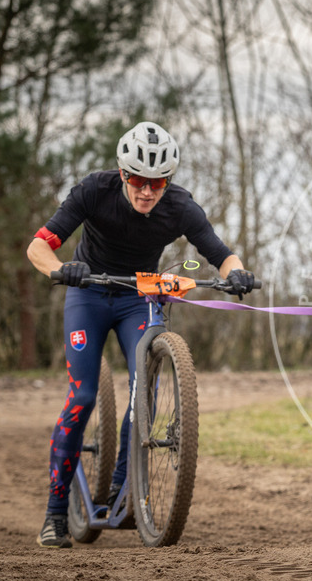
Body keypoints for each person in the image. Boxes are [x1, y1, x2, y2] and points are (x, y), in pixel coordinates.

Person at [26, 121, 256, 548]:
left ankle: (120, 488)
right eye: (137, 180)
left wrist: (236, 273)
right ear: (123, 173)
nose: (146, 191)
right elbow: (38, 246)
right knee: (82, 397)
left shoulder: (181, 207)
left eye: (157, 182)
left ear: (167, 181)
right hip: (89, 295)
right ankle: (56, 512)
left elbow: (220, 254)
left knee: (141, 393)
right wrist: (61, 269)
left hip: (138, 297)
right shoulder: (93, 190)